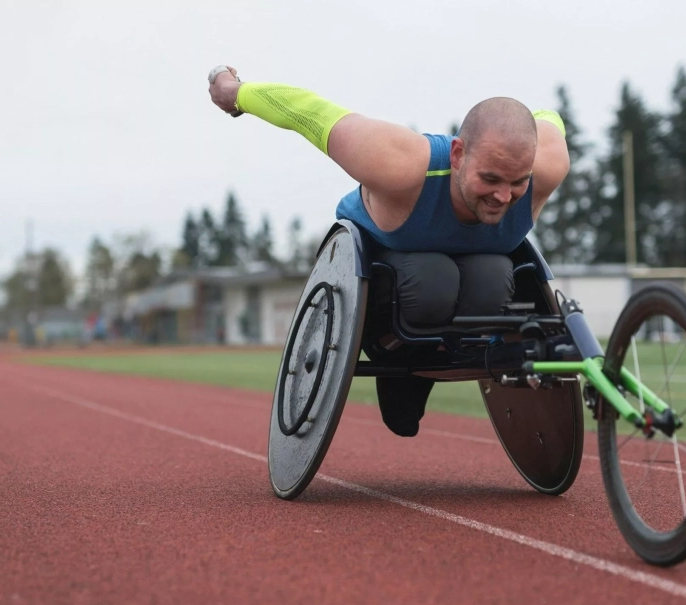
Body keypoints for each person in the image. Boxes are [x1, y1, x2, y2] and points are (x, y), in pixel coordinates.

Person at [208, 65, 570, 437]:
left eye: (517, 182)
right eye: (490, 179)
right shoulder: (400, 164)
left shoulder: (548, 166)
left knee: (494, 276)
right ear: (458, 156)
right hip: (387, 270)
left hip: (477, 278)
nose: (503, 196)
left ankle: (436, 359)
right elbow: (309, 112)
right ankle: (400, 356)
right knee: (434, 277)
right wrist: (235, 92)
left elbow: (548, 118)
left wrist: (524, 122)